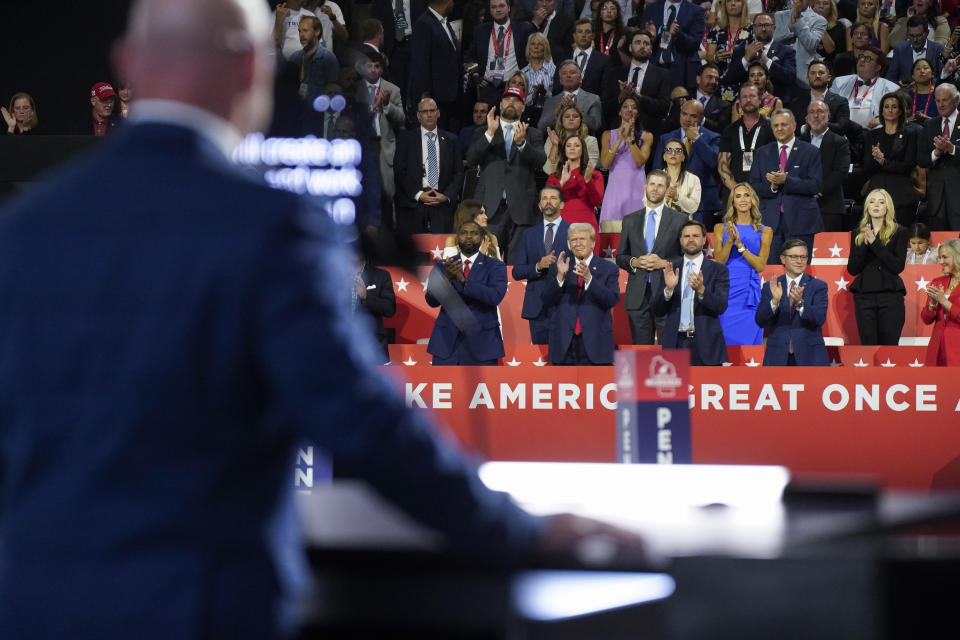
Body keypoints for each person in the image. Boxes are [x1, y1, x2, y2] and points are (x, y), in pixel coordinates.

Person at [0, 0, 644, 637]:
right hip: (202, 609)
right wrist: (519, 530)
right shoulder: (271, 229)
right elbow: (361, 421)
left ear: (128, 63)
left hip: (34, 603)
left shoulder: (24, 230)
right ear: (252, 68)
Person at [468, 86, 547, 262]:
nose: (511, 102)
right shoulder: (483, 132)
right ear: (500, 104)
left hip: (522, 210)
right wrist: (489, 134)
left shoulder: (532, 133)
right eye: (507, 99)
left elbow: (541, 161)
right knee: (486, 265)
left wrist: (522, 144)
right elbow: (471, 159)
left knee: (518, 268)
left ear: (523, 107)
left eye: (517, 100)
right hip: (489, 210)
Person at [617, 170, 687, 345]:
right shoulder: (630, 220)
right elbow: (620, 256)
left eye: (660, 185)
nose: (655, 189)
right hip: (637, 296)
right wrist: (635, 262)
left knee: (669, 351)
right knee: (641, 354)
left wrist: (665, 263)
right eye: (652, 184)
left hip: (667, 293)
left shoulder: (680, 220)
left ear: (667, 190)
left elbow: (687, 258)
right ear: (645, 187)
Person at [426, 220, 507, 364]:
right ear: (458, 239)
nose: (468, 237)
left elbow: (494, 297)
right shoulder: (443, 266)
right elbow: (431, 301)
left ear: (482, 239)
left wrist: (464, 281)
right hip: (447, 345)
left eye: (474, 233)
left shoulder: (495, 266)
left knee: (482, 388)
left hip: (483, 345)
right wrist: (447, 279)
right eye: (464, 233)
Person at [652, 220, 730, 366]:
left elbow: (721, 306)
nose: (691, 239)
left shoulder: (718, 270)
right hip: (674, 344)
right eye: (686, 236)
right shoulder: (669, 269)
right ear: (681, 240)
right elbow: (657, 310)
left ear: (704, 239)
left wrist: (702, 291)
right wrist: (668, 290)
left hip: (706, 345)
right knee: (674, 390)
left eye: (695, 235)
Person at [542, 223, 621, 365]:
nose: (577, 243)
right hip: (563, 342)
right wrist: (560, 277)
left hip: (595, 343)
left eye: (582, 239)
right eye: (573, 240)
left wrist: (589, 279)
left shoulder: (609, 269)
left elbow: (612, 299)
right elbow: (546, 299)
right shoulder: (559, 266)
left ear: (593, 243)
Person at [749, 108, 822, 259]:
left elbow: (815, 185)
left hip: (801, 221)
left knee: (799, 269)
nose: (779, 128)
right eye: (775, 125)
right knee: (771, 271)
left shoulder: (811, 151)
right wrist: (772, 187)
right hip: (769, 221)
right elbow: (754, 186)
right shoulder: (762, 153)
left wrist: (786, 181)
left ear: (794, 126)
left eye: (784, 124)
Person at [713, 183, 774, 345]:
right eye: (738, 196)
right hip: (726, 289)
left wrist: (740, 246)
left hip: (748, 291)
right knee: (725, 339)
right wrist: (730, 241)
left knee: (748, 343)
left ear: (753, 200)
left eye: (747, 195)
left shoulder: (765, 231)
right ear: (732, 202)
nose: (743, 199)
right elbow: (719, 261)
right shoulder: (721, 228)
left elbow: (760, 266)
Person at [847, 188, 909, 345]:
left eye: (881, 202)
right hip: (864, 298)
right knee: (868, 348)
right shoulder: (857, 233)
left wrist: (875, 244)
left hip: (890, 297)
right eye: (872, 201)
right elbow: (853, 269)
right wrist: (864, 245)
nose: (876, 205)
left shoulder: (899, 232)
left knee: (888, 349)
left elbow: (897, 266)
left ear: (887, 207)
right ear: (867, 206)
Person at [394, 97, 464, 236]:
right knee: (415, 255)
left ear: (438, 113)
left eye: (432, 111)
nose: (429, 114)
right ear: (418, 116)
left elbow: (458, 173)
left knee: (442, 254)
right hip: (414, 204)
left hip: (442, 204)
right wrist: (419, 195)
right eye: (425, 111)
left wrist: (446, 196)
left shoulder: (452, 140)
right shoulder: (406, 139)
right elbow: (400, 171)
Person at [755, 238, 830, 366]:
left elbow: (819, 318)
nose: (799, 261)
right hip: (778, 357)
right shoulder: (770, 286)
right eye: (794, 257)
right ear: (783, 259)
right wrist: (775, 301)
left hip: (809, 356)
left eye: (803, 257)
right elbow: (760, 320)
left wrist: (800, 303)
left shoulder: (818, 286)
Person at [512, 186, 571, 343]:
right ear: (539, 206)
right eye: (544, 199)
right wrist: (538, 266)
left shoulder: (574, 232)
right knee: (544, 363)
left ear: (562, 204)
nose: (548, 202)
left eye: (553, 198)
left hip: (565, 305)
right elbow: (517, 271)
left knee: (565, 362)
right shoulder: (528, 234)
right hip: (537, 308)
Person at [654, 99, 721, 227]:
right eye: (684, 114)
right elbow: (658, 170)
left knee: (698, 242)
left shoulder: (712, 137)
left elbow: (714, 162)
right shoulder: (666, 138)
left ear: (701, 118)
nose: (687, 119)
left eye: (693, 116)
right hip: (671, 201)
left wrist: (696, 139)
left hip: (701, 203)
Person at [862, 91, 921, 226]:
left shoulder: (910, 134)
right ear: (881, 111)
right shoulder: (872, 135)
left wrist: (883, 161)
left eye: (894, 107)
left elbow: (907, 166)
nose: (890, 110)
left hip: (901, 193)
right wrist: (879, 161)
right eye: (886, 106)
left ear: (900, 111)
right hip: (876, 192)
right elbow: (867, 166)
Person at [465, 0, 536, 106]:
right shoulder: (480, 31)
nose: (498, 10)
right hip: (488, 88)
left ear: (509, 8)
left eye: (501, 6)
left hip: (514, 87)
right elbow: (469, 57)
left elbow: (535, 53)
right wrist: (475, 74)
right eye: (493, 7)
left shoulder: (524, 29)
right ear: (490, 10)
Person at [599, 30, 671, 133]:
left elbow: (664, 108)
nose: (642, 46)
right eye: (637, 42)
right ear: (630, 47)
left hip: (648, 133)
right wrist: (621, 97)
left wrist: (639, 97)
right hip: (618, 132)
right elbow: (605, 108)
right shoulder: (615, 74)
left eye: (646, 43)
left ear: (651, 49)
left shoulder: (662, 75)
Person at [598, 96, 652, 233]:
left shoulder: (647, 136)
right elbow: (605, 163)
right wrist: (619, 140)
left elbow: (640, 161)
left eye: (634, 107)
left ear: (638, 113)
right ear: (619, 112)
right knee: (611, 236)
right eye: (625, 106)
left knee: (638, 233)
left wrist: (629, 138)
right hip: (615, 192)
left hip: (636, 191)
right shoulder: (607, 135)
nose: (629, 110)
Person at [410, 0, 463, 132]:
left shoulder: (443, 21)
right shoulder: (424, 24)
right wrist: (425, 97)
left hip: (451, 97)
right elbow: (421, 63)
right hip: (436, 99)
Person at [800, 99, 851, 233]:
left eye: (820, 111)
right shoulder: (799, 142)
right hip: (802, 205)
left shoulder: (840, 142)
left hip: (829, 207)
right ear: (806, 118)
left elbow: (840, 173)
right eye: (812, 112)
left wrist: (816, 190)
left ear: (828, 116)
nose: (816, 116)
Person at [718, 84, 775, 205]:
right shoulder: (730, 130)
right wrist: (740, 193)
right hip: (734, 194)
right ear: (739, 102)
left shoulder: (772, 128)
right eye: (744, 97)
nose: (748, 100)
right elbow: (722, 166)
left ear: (760, 100)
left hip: (764, 195)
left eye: (752, 96)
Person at [722, 12, 797, 103]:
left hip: (776, 104)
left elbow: (790, 78)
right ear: (754, 29)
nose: (763, 29)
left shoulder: (786, 51)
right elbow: (729, 79)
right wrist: (746, 58)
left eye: (767, 25)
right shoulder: (741, 50)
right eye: (760, 25)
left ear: (774, 28)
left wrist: (766, 60)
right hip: (746, 104)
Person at [546, 135, 605, 239]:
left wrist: (588, 181)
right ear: (564, 151)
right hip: (562, 227)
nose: (572, 148)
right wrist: (562, 183)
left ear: (583, 150)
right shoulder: (554, 177)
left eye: (576, 145)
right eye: (568, 146)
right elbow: (548, 204)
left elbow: (597, 201)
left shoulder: (594, 174)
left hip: (587, 227)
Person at [919, 83, 960, 231]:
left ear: (956, 101)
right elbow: (921, 160)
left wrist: (952, 149)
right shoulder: (930, 125)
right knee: (939, 242)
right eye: (937, 100)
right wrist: (935, 153)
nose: (941, 104)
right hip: (936, 198)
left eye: (945, 100)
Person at [640, 0, 707, 89]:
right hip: (654, 67)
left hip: (682, 71)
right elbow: (642, 39)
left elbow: (694, 44)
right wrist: (664, 35)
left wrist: (677, 34)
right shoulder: (651, 8)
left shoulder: (696, 11)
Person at [352, 249, 397, 364]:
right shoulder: (333, 276)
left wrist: (366, 297)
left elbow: (389, 309)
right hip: (342, 346)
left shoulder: (381, 275)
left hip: (374, 348)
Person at [772, 0, 827, 89]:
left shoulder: (819, 20)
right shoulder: (779, 15)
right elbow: (772, 40)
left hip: (803, 75)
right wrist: (790, 27)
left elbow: (811, 44)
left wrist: (798, 20)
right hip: (780, 70)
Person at [537, 60, 603, 135]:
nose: (568, 75)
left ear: (580, 78)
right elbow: (541, 127)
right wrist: (557, 112)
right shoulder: (550, 102)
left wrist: (576, 110)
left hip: (585, 142)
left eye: (572, 72)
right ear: (560, 80)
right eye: (564, 73)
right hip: (557, 143)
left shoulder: (593, 99)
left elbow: (596, 125)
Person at [922, 238, 960, 365]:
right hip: (937, 346)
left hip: (957, 346)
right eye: (939, 258)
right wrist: (932, 303)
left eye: (944, 257)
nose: (941, 262)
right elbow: (926, 319)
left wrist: (944, 301)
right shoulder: (938, 282)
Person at [789, 60, 851, 136]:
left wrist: (819, 125)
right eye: (813, 73)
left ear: (829, 78)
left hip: (830, 145)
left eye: (821, 73)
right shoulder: (797, 102)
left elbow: (842, 128)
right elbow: (791, 128)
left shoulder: (840, 101)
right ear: (807, 78)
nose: (817, 76)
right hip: (804, 145)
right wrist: (806, 128)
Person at [288, 15, 339, 107]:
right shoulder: (294, 58)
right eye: (299, 31)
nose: (301, 35)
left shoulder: (328, 58)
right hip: (296, 112)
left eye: (305, 30)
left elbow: (333, 91)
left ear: (317, 32)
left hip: (318, 112)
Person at [705, 0, 753, 97]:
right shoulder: (716, 30)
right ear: (724, 5)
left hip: (745, 84)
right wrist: (716, 57)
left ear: (743, 5)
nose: (733, 3)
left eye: (737, 1)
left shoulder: (752, 29)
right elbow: (708, 56)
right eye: (729, 1)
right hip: (721, 84)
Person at [886, 15, 944, 85]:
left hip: (930, 93)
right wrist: (898, 84)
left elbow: (943, 78)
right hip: (906, 93)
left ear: (927, 33)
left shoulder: (938, 49)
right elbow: (890, 79)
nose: (915, 40)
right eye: (911, 36)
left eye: (919, 36)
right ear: (907, 34)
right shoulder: (900, 49)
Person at [543, 104, 599, 173]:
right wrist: (555, 146)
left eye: (575, 116)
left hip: (581, 182)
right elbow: (548, 171)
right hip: (557, 182)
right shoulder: (552, 139)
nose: (571, 119)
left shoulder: (590, 141)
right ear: (561, 121)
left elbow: (589, 169)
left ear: (581, 120)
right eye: (567, 116)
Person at [658, 138, 702, 219]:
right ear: (664, 156)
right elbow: (647, 203)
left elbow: (693, 207)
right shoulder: (655, 178)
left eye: (678, 151)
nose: (673, 153)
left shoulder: (693, 179)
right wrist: (665, 200)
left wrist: (677, 197)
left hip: (685, 224)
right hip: (660, 222)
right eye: (669, 150)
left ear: (683, 157)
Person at [568, 18, 612, 96]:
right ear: (574, 36)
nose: (583, 35)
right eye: (580, 32)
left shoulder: (604, 60)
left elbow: (606, 90)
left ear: (593, 36)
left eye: (587, 32)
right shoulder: (564, 58)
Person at [520, 31, 556, 124]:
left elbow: (557, 97)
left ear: (545, 48)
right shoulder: (522, 73)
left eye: (540, 44)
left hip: (548, 114)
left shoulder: (554, 70)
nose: (536, 47)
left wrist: (544, 93)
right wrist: (533, 96)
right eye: (533, 44)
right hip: (526, 114)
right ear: (529, 48)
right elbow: (520, 99)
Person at [693, 63, 732, 134]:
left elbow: (722, 129)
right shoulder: (684, 100)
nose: (714, 81)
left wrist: (702, 119)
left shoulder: (724, 106)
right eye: (709, 77)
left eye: (716, 79)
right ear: (698, 79)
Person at [813, 0, 846, 69]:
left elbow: (830, 50)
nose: (821, 6)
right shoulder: (806, 25)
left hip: (829, 66)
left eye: (825, 3)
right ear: (813, 7)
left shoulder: (838, 26)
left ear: (831, 8)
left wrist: (820, 22)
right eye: (817, 3)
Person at [906, 58, 937, 123]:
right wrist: (907, 120)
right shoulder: (906, 96)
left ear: (932, 74)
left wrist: (928, 120)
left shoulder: (939, 94)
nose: (922, 71)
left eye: (925, 68)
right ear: (913, 76)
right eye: (918, 69)